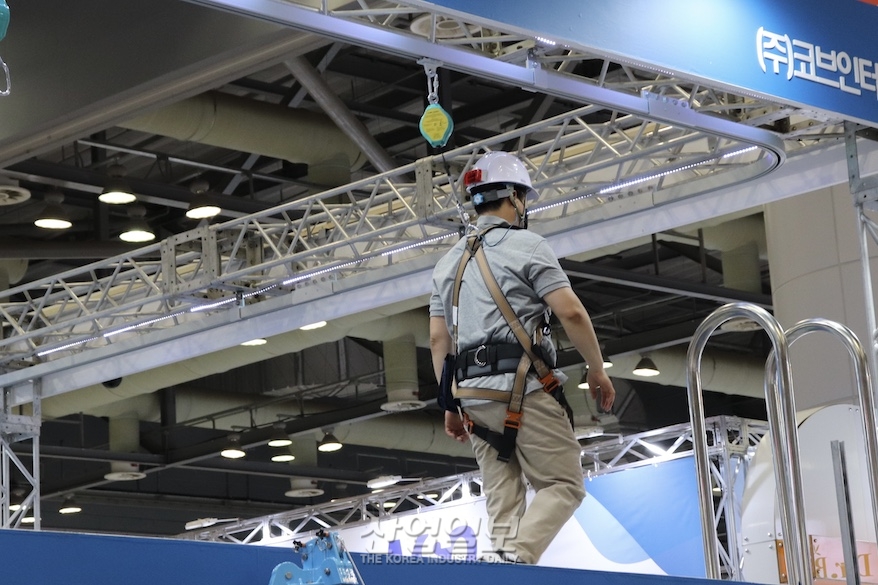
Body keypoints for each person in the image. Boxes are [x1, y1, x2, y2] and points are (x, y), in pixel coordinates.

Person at [429, 151, 616, 565]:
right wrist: (597, 369)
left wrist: (450, 406)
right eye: (523, 198)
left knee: (504, 503)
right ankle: (513, 563)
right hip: (526, 389)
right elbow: (570, 312)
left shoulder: (446, 265)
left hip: (473, 398)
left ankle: (502, 569)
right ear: (513, 196)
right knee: (564, 484)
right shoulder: (528, 246)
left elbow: (439, 338)